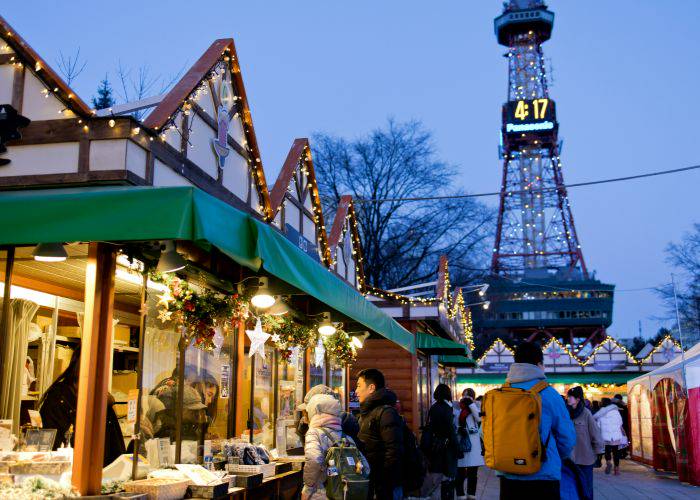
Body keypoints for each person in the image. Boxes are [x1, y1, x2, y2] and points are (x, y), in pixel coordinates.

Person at [498, 342, 576, 500]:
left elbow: (485, 432)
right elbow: (567, 438)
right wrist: (551, 455)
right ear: (539, 364)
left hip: (508, 475)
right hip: (543, 476)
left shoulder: (500, 394)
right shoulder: (549, 394)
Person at [39, 346, 125, 466]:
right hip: (67, 469)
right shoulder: (59, 397)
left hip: (102, 472)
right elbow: (51, 443)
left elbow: (116, 449)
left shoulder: (101, 398)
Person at [301, 393, 369, 499]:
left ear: (315, 411)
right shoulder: (347, 438)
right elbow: (366, 467)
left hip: (321, 493)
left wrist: (308, 487)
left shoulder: (314, 433)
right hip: (344, 493)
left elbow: (314, 460)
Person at [355, 368, 403, 499]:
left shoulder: (386, 412)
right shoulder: (365, 414)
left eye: (359, 386)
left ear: (371, 388)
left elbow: (394, 451)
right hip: (371, 480)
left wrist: (384, 482)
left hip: (383, 485)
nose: (356, 391)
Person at [564, 386, 604, 500]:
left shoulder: (586, 413)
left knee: (586, 488)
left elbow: (595, 433)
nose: (568, 399)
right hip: (569, 459)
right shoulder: (565, 413)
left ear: (577, 399)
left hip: (585, 458)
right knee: (572, 486)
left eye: (571, 397)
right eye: (568, 397)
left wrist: (598, 453)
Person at [424, 383, 459, 500]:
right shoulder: (447, 408)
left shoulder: (433, 407)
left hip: (435, 446)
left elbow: (429, 427)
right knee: (448, 477)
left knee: (437, 476)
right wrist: (457, 448)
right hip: (447, 447)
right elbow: (450, 430)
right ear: (448, 393)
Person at [455, 390, 483, 500]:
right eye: (464, 396)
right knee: (460, 471)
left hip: (474, 445)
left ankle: (471, 494)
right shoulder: (458, 407)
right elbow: (455, 421)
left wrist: (471, 405)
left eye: (469, 396)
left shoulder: (476, 406)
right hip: (461, 442)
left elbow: (479, 418)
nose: (466, 398)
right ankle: (460, 494)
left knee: (473, 472)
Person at [594, 397, 624, 475]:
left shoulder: (600, 413)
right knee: (616, 452)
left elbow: (598, 425)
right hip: (615, 435)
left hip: (605, 435)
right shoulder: (616, 412)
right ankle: (617, 469)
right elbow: (620, 423)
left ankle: (608, 463)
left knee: (607, 450)